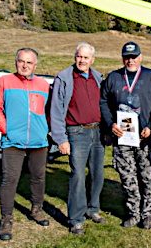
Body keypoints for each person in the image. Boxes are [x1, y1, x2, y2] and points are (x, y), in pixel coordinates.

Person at [0, 48, 51, 241]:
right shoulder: (4, 82)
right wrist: (7, 128)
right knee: (9, 179)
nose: (24, 65)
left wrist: (45, 129)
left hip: (39, 141)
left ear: (35, 65)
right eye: (21, 61)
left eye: (29, 62)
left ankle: (36, 209)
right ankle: (6, 220)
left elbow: (47, 110)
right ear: (16, 62)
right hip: (13, 141)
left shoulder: (43, 85)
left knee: (38, 177)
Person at [100, 41, 151, 229]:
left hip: (144, 138)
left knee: (146, 176)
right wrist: (110, 123)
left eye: (134, 56)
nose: (131, 60)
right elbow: (103, 102)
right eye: (127, 57)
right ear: (122, 58)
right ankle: (133, 213)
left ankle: (148, 213)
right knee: (127, 177)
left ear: (141, 56)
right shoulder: (113, 77)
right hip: (122, 138)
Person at [50, 42, 105, 235]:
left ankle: (93, 208)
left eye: (86, 57)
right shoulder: (64, 78)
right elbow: (56, 110)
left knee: (97, 173)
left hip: (97, 132)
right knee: (78, 175)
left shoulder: (98, 77)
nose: (82, 60)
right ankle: (76, 218)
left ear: (92, 60)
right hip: (76, 132)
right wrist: (60, 139)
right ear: (75, 57)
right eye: (79, 56)